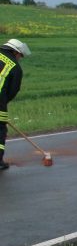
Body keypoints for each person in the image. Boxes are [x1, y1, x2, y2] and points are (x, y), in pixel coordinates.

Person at [0, 39, 31, 170]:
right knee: (0, 131)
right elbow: (13, 91)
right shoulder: (15, 67)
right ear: (15, 52)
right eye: (20, 56)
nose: (20, 59)